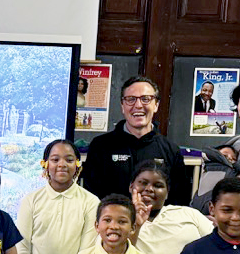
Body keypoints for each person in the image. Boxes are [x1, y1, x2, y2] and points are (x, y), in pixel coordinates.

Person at [81, 76, 190, 205]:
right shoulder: (101, 146)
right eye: (131, 99)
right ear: (122, 106)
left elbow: (180, 201)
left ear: (156, 105)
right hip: (114, 223)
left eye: (145, 99)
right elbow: (91, 198)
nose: (138, 105)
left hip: (156, 224)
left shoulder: (170, 150)